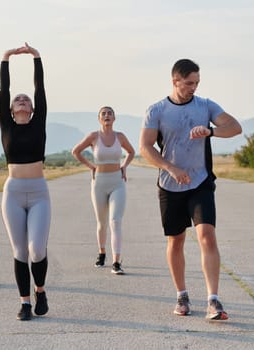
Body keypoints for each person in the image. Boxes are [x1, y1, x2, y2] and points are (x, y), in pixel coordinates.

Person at [139, 58, 242, 320]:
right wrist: (170, 167)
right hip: (170, 184)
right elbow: (146, 148)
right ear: (175, 81)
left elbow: (234, 127)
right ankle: (182, 295)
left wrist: (210, 131)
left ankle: (213, 301)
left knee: (207, 235)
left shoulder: (205, 105)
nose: (193, 87)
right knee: (176, 240)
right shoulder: (157, 110)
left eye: (196, 83)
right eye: (188, 83)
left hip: (200, 182)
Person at [0, 43, 50, 321]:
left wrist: (36, 57)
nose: (21, 100)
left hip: (39, 192)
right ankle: (25, 302)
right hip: (14, 192)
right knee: (20, 251)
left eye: (25, 99)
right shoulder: (5, 125)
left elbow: (39, 88)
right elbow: (4, 89)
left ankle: (40, 289)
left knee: (37, 249)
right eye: (17, 99)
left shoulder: (38, 121)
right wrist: (5, 58)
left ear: (31, 108)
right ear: (10, 108)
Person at [71, 106, 135, 275]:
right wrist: (90, 166)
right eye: (104, 114)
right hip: (99, 182)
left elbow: (131, 152)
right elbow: (76, 151)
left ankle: (116, 261)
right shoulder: (93, 136)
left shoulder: (120, 137)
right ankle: (102, 253)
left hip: (117, 182)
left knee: (115, 221)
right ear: (99, 119)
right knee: (102, 222)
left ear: (114, 118)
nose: (107, 116)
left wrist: (124, 166)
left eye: (110, 113)